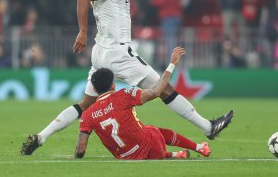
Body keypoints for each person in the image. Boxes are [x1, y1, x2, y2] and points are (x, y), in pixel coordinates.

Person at [21, 0, 233, 155]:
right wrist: (83, 31)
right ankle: (208, 128)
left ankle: (41, 136)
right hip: (119, 53)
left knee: (85, 104)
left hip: (100, 54)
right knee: (164, 89)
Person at [75, 47, 212, 160]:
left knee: (142, 136)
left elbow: (81, 149)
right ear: (112, 85)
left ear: (93, 89)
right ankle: (199, 148)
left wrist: (77, 156)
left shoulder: (86, 115)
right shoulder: (124, 95)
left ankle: (174, 155)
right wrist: (172, 65)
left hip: (124, 157)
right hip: (152, 148)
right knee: (153, 130)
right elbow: (157, 91)